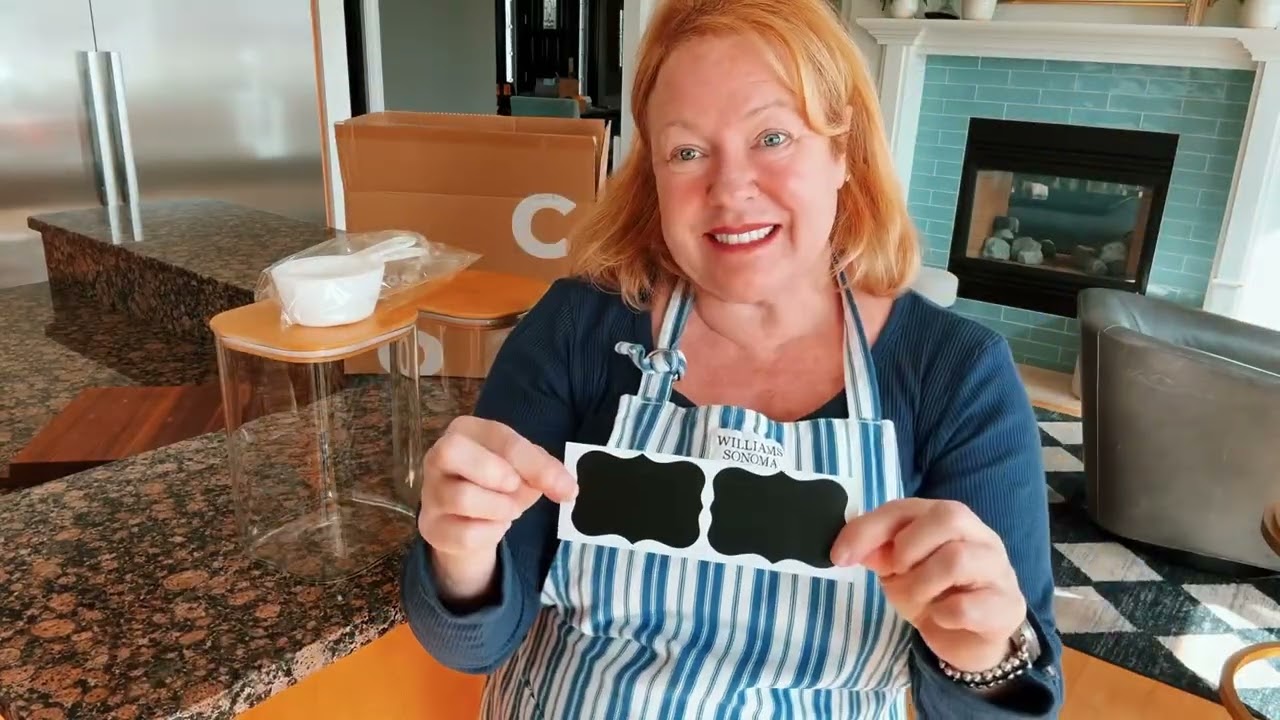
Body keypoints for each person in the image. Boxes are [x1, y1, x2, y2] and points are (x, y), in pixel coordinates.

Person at [400, 0, 1064, 717]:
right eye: (687, 152)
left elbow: (1009, 701)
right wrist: (460, 554)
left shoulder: (958, 376)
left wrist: (981, 652)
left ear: (843, 151)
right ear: (653, 174)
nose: (731, 190)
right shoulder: (575, 330)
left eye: (773, 137)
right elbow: (471, 644)